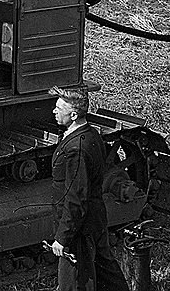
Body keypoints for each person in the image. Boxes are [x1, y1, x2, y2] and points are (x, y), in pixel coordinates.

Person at [48, 86, 128, 291]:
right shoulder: (90, 134)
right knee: (105, 270)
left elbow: (76, 197)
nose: (54, 111)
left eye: (59, 108)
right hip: (94, 218)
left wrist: (63, 237)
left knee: (74, 282)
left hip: (80, 227)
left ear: (73, 114)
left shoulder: (77, 148)